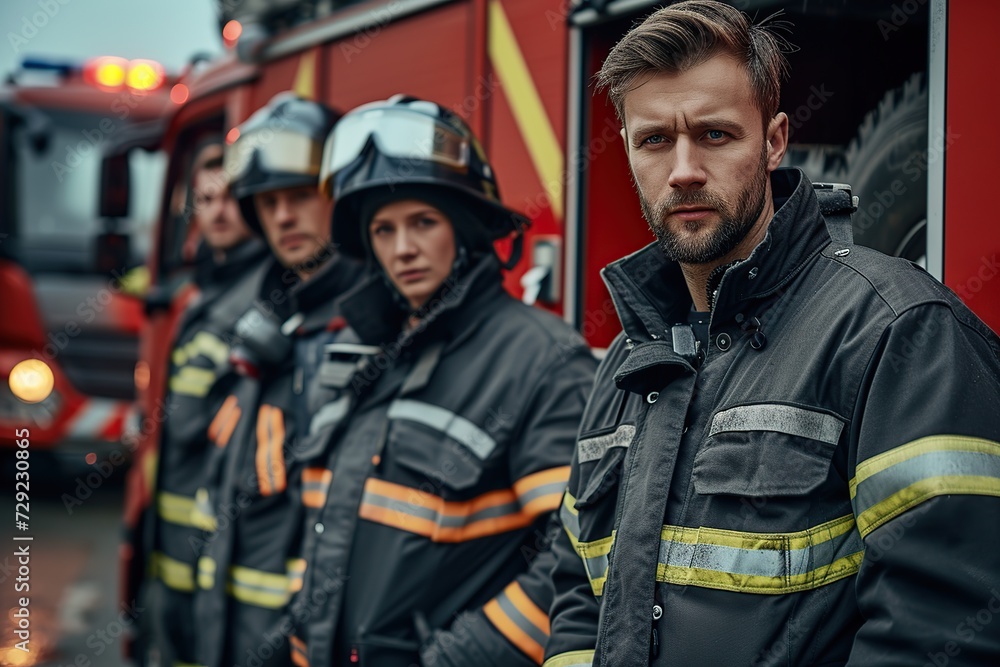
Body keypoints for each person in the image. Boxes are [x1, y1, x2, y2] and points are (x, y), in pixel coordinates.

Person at [545, 2, 1000, 666]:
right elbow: (579, 597)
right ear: (627, 150)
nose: (683, 170)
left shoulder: (895, 329)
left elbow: (942, 627)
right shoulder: (627, 359)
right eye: (654, 141)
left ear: (775, 139)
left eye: (715, 135)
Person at [286, 95, 597, 667]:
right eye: (383, 230)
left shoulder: (541, 359)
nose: (402, 249)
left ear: (467, 228)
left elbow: (580, 556)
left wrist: (460, 658)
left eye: (423, 223)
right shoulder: (367, 356)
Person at [189, 92, 364, 667]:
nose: (283, 217)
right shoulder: (270, 319)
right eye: (267, 203)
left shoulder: (367, 327)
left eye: (298, 197)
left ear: (338, 196)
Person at [142, 136, 268, 667]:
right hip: (173, 542)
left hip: (216, 542)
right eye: (206, 199)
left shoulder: (264, 292)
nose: (217, 212)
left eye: (230, 197)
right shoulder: (204, 288)